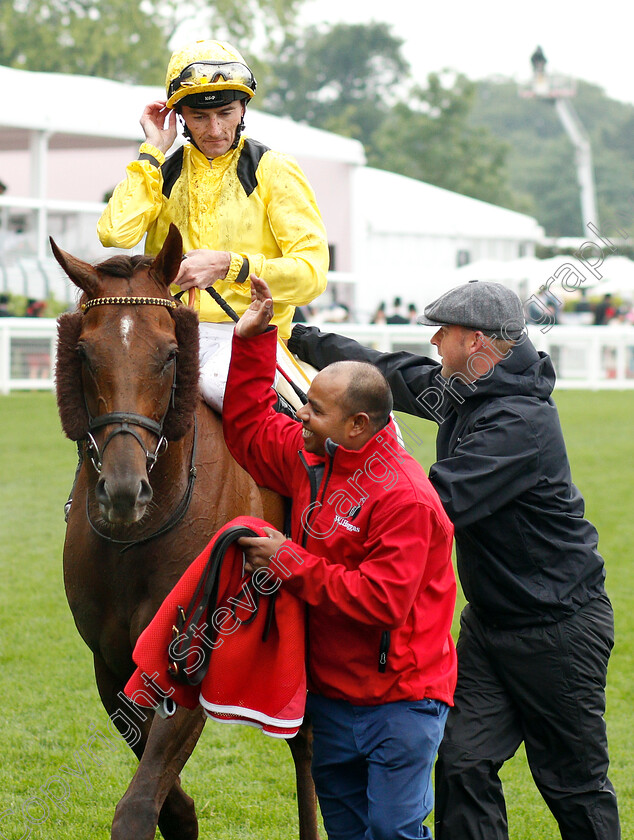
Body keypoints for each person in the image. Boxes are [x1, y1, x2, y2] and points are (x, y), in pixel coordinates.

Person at [288, 279, 620, 840]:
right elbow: (389, 372)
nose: (435, 342)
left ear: (477, 343)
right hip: (489, 628)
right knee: (462, 764)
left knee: (572, 784)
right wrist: (303, 339)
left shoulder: (521, 424)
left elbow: (429, 501)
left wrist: (334, 509)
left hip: (559, 631)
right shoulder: (464, 388)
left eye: (444, 332)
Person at [222, 275, 457, 840]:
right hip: (331, 699)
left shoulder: (405, 495)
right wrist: (253, 342)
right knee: (350, 833)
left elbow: (381, 602)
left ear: (358, 425)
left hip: (402, 702)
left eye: (315, 409)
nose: (301, 416)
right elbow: (251, 430)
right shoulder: (315, 455)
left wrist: (288, 561)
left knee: (394, 832)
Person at [97, 39, 329, 411]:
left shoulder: (273, 169)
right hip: (167, 335)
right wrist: (153, 151)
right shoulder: (162, 170)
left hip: (249, 334)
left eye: (225, 113)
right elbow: (115, 232)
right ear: (180, 118)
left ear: (242, 110)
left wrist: (228, 265)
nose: (215, 128)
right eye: (199, 116)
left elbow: (311, 275)